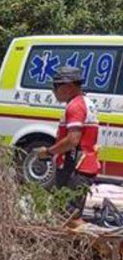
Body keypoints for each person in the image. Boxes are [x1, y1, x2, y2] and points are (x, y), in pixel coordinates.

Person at [37, 66, 101, 216]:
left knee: (68, 215)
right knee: (70, 214)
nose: (53, 91)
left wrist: (48, 152)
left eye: (56, 86)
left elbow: (73, 140)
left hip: (75, 167)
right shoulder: (85, 102)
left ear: (69, 86)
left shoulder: (75, 106)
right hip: (84, 166)